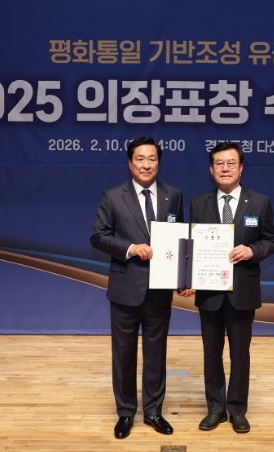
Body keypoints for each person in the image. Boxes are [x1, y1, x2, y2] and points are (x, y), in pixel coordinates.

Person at [90, 137, 184, 439]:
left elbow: (179, 241)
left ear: (159, 162)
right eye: (140, 159)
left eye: (152, 159)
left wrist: (182, 277)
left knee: (157, 353)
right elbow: (98, 236)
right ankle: (126, 412)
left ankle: (154, 411)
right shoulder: (113, 195)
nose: (146, 164)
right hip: (125, 287)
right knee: (124, 354)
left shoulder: (173, 195)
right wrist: (130, 248)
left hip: (160, 289)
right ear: (130, 163)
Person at [184, 141, 274, 434]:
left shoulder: (259, 202)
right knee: (211, 353)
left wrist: (252, 251)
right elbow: (191, 247)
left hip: (242, 292)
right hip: (209, 291)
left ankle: (237, 410)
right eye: (219, 164)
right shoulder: (199, 203)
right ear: (211, 170)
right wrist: (187, 278)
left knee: (240, 354)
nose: (225, 169)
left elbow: (270, 241)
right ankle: (215, 408)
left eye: (231, 163)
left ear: (241, 168)